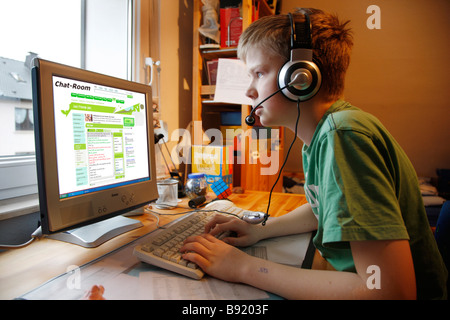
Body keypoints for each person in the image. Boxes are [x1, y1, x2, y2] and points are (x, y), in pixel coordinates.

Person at [181, 8, 447, 299]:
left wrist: (242, 268)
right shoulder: (326, 134)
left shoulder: (343, 137)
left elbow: (391, 291)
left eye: (258, 73)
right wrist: (260, 228)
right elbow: (326, 208)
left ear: (299, 78)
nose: (249, 91)